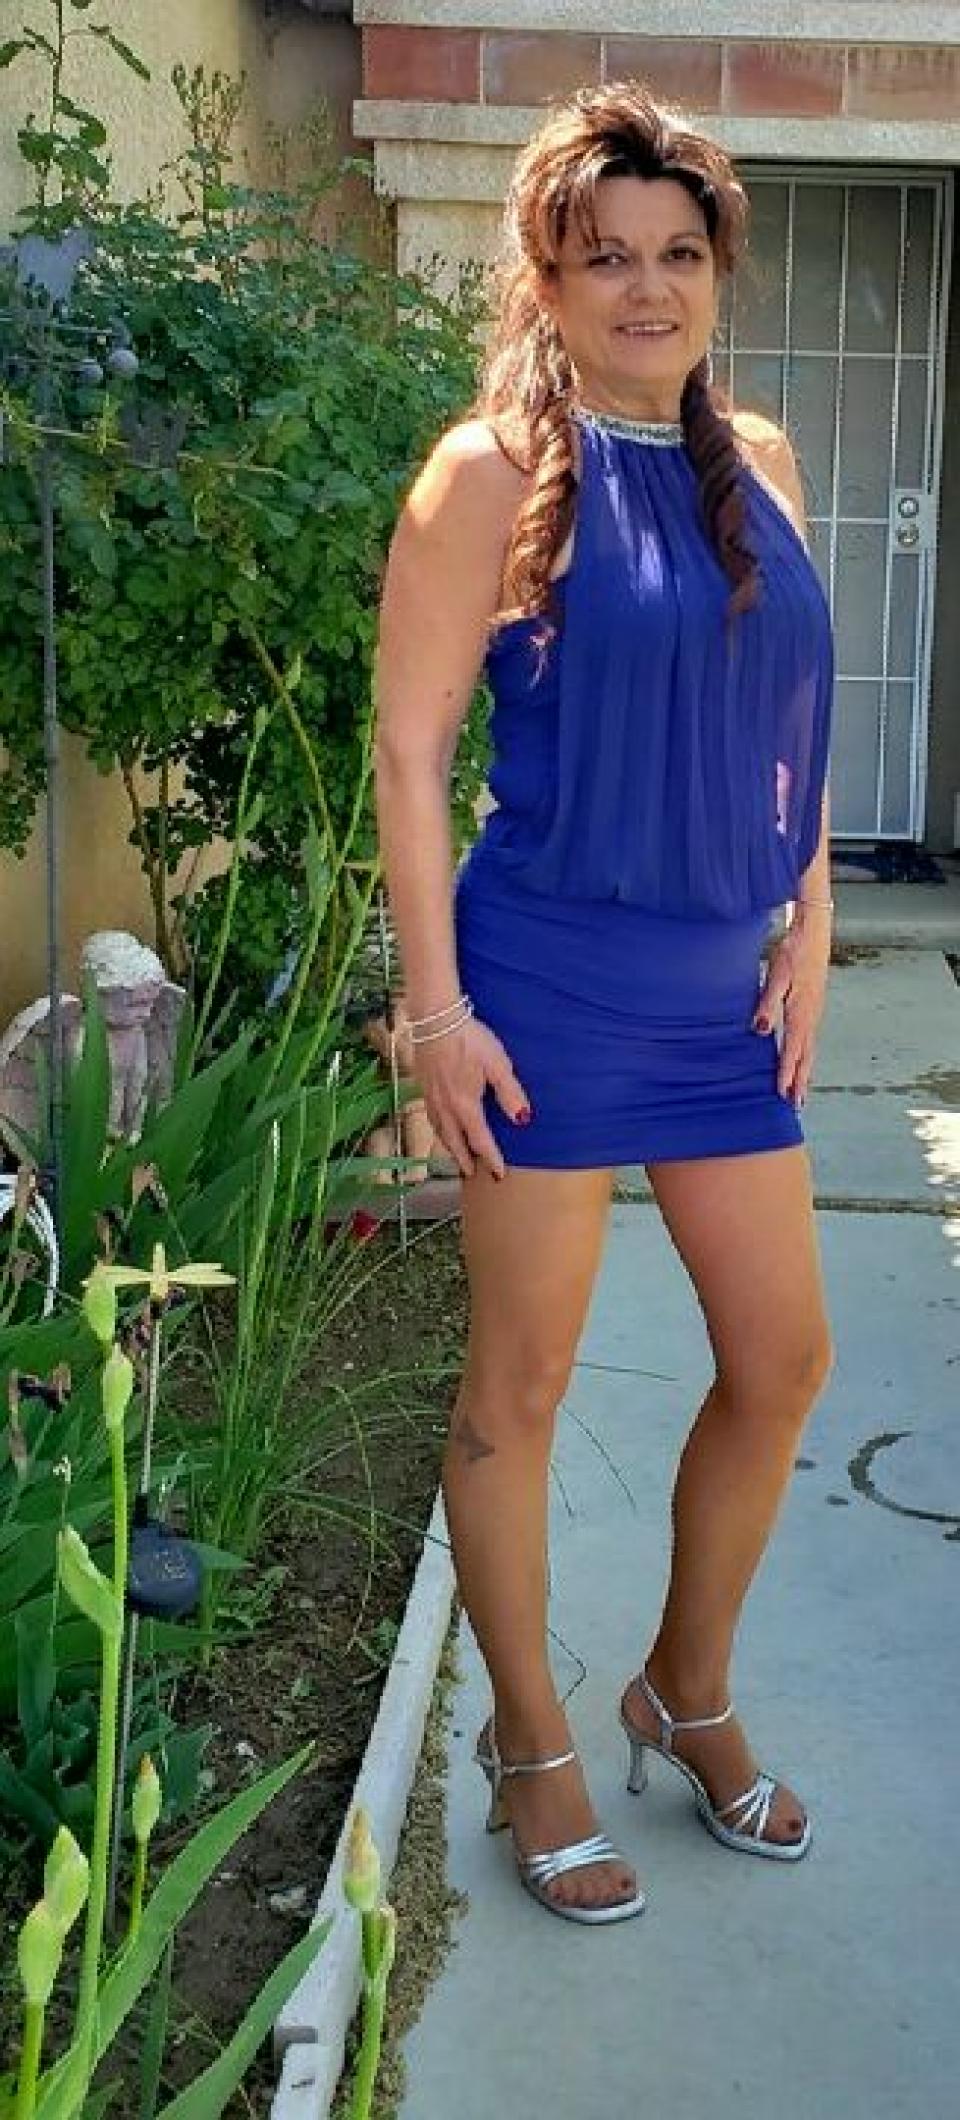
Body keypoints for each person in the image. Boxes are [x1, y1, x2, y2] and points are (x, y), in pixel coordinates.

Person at [374, 79, 835, 1927]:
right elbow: (412, 755)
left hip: (722, 999)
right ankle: (532, 1739)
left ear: (717, 270)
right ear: (547, 281)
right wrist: (434, 1013)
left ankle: (684, 1690)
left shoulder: (766, 461)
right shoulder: (484, 472)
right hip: (547, 992)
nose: (648, 288)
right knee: (525, 1381)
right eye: (606, 258)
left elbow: (794, 714)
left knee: (782, 1362)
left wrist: (809, 921)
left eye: (678, 253)